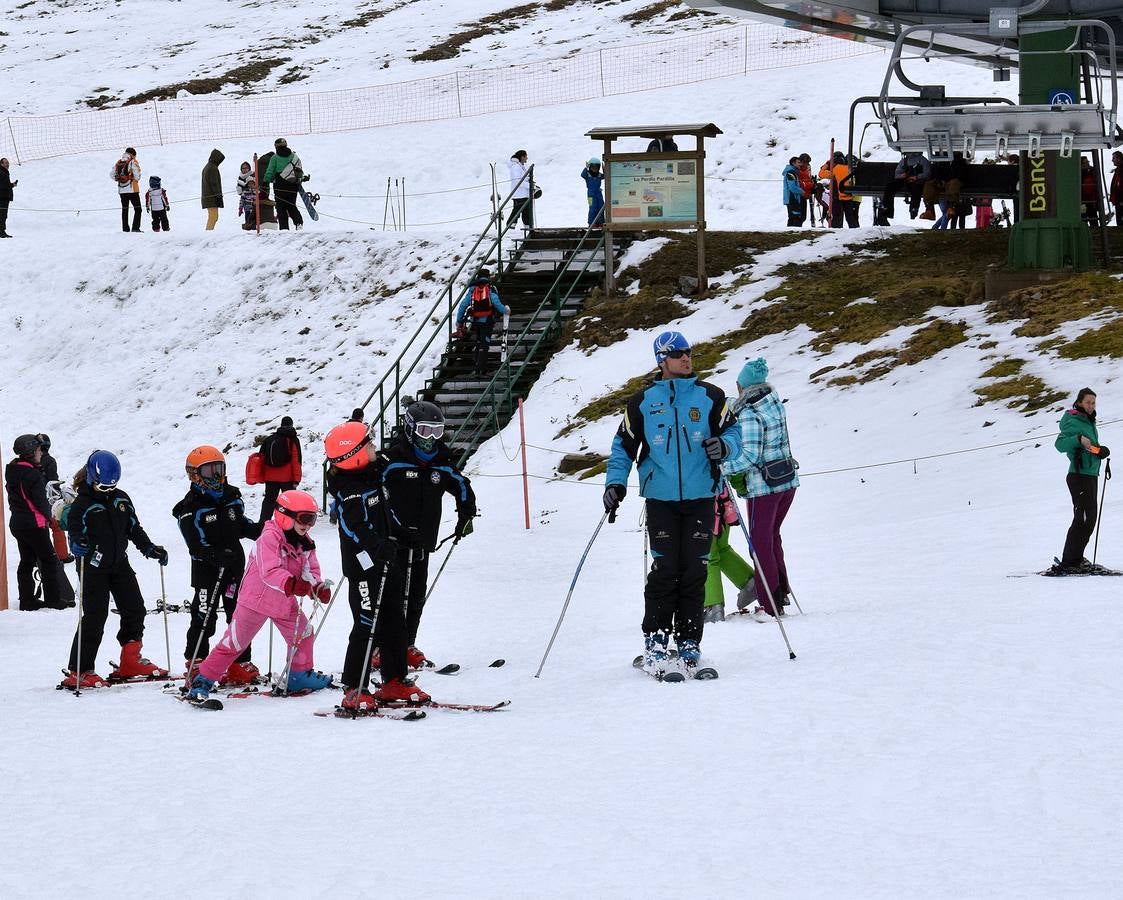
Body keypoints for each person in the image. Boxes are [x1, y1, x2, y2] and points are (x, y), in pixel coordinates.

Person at [603, 331, 741, 677]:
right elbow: (623, 446)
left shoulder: (710, 396)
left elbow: (735, 433)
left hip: (701, 496)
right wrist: (615, 483)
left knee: (695, 568)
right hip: (660, 498)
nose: (686, 358)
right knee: (666, 569)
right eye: (677, 353)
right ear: (661, 360)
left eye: (688, 352)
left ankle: (689, 641)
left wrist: (724, 447)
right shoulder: (642, 402)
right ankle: (656, 641)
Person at [186, 490, 334, 701]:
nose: (308, 525)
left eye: (312, 519)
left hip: (283, 601)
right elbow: (269, 572)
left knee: (305, 634)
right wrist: (293, 584)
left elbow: (310, 571)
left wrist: (317, 588)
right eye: (304, 518)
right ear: (285, 514)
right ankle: (203, 679)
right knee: (235, 643)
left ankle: (298, 675)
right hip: (255, 601)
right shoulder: (268, 537)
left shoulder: (306, 543)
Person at [63, 450, 169, 688]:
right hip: (93, 567)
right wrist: (77, 545)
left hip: (119, 564)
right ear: (91, 478)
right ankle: (80, 669)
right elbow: (75, 532)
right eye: (103, 487)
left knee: (135, 609)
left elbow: (134, 528)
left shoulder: (121, 499)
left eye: (112, 487)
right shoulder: (82, 504)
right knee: (95, 616)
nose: (108, 491)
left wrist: (149, 548)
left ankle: (130, 661)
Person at [172, 445, 263, 682]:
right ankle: (197, 661)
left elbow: (241, 525)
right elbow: (195, 545)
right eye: (210, 471)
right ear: (194, 475)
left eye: (219, 469)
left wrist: (262, 531)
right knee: (204, 616)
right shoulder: (191, 509)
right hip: (207, 571)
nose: (217, 476)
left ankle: (239, 661)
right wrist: (214, 555)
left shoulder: (232, 498)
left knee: (239, 615)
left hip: (233, 567)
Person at [722, 358, 799, 621]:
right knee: (772, 537)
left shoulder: (750, 414)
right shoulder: (773, 403)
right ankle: (780, 593)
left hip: (763, 487)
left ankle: (769, 605)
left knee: (760, 544)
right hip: (787, 481)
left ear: (744, 386)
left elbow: (750, 457)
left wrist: (724, 465)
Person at [1053, 388, 1110, 573]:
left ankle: (1076, 558)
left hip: (1090, 475)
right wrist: (1077, 439)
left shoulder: (1089, 421)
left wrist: (1100, 451)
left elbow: (1088, 448)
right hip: (1078, 475)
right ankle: (1069, 561)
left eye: (1093, 403)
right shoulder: (1073, 420)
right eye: (1088, 402)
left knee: (1089, 519)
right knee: (1083, 519)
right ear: (1079, 402)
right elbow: (1060, 444)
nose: (1091, 406)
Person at [6, 435, 63, 611]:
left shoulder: (13, 470)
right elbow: (40, 501)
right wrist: (50, 516)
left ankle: (27, 600)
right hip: (33, 524)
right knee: (49, 560)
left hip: (18, 523)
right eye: (39, 450)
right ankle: (53, 601)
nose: (41, 453)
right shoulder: (32, 474)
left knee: (27, 561)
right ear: (30, 453)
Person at [703, 483, 755, 623]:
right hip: (723, 503)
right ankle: (749, 581)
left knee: (708, 556)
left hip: (704, 504)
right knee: (721, 548)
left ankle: (713, 606)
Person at [455, 268, 510, 376]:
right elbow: (495, 302)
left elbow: (463, 305)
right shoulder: (490, 288)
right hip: (487, 321)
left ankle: (478, 366)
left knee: (479, 342)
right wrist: (505, 310)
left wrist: (459, 321)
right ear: (488, 276)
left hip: (475, 321)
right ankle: (481, 368)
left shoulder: (472, 289)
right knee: (485, 343)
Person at [257, 416, 302, 524]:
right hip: (287, 478)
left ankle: (262, 524)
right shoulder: (293, 440)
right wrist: (296, 479)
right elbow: (297, 461)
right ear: (291, 425)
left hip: (270, 477)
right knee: (289, 501)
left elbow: (261, 458)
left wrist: (262, 476)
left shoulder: (270, 439)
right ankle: (288, 523)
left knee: (269, 500)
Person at [261, 138, 305, 230]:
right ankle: (298, 223)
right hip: (293, 184)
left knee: (281, 207)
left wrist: (265, 181)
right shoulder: (294, 156)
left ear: (276, 147)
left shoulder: (275, 158)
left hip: (280, 185)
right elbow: (299, 170)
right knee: (291, 205)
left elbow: (270, 172)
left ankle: (284, 228)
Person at [878, 151, 931, 224]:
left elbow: (927, 174)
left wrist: (917, 177)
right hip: (905, 180)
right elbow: (897, 174)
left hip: (917, 181)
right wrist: (902, 175)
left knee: (916, 189)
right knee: (890, 187)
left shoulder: (923, 160)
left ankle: (914, 209)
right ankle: (887, 208)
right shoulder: (904, 161)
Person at [819, 151, 859, 228]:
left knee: (837, 218)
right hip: (849, 196)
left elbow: (821, 174)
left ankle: (837, 234)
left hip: (837, 197)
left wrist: (827, 164)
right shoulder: (849, 168)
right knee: (850, 218)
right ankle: (855, 233)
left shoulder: (836, 169)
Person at [112, 147, 142, 233]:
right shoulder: (132, 161)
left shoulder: (119, 162)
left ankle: (125, 229)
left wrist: (120, 179)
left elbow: (112, 174)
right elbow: (137, 176)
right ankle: (135, 228)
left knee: (125, 209)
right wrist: (134, 178)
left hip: (121, 190)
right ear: (133, 154)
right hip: (132, 189)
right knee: (138, 209)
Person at [506, 150, 533, 230]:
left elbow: (523, 179)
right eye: (526, 156)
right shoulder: (515, 167)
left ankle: (527, 228)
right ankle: (510, 226)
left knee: (525, 212)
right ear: (522, 157)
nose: (527, 158)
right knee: (517, 211)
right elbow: (518, 181)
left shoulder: (520, 166)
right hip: (519, 194)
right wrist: (530, 186)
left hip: (524, 193)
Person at [201, 148, 224, 230]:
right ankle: (208, 233)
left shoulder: (207, 166)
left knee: (213, 217)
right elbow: (214, 183)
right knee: (213, 217)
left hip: (208, 197)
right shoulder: (212, 168)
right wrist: (218, 196)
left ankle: (209, 232)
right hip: (211, 197)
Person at [581, 158, 604, 227]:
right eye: (593, 168)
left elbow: (606, 176)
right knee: (592, 208)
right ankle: (591, 223)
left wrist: (605, 169)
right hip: (590, 194)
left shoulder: (599, 175)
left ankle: (601, 222)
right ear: (590, 167)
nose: (595, 169)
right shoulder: (587, 174)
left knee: (601, 207)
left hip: (598, 193)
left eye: (597, 168)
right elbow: (582, 174)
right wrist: (586, 167)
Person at [782, 156, 803, 227]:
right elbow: (792, 187)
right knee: (795, 218)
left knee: (792, 218)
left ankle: (789, 234)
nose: (800, 164)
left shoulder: (793, 172)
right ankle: (795, 235)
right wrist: (802, 191)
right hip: (792, 198)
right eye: (798, 162)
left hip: (791, 198)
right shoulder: (791, 173)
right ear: (793, 163)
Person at [0, 156, 17, 238]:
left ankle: (2, 231)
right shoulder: (2, 172)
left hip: (4, 197)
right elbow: (3, 186)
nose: (8, 164)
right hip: (2, 198)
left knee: (3, 215)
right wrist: (11, 185)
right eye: (6, 163)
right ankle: (1, 232)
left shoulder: (4, 172)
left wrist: (11, 185)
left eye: (8, 163)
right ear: (1, 164)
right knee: (2, 215)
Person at [796, 153, 815, 225]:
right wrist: (811, 185)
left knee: (803, 217)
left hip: (805, 195)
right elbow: (801, 184)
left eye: (807, 162)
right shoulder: (798, 170)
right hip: (800, 195)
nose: (806, 164)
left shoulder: (807, 169)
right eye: (805, 162)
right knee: (799, 216)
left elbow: (808, 180)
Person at [1080, 156, 1099, 225]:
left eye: (1087, 162)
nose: (1087, 164)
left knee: (1093, 219)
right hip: (1083, 201)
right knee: (1083, 220)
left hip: (1091, 200)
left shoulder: (1092, 171)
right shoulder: (1079, 173)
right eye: (1085, 163)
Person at [1109, 151, 1123, 228]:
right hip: (1119, 201)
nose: (1112, 160)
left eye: (1114, 158)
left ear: (1119, 159)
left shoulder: (1120, 171)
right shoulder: (1118, 170)